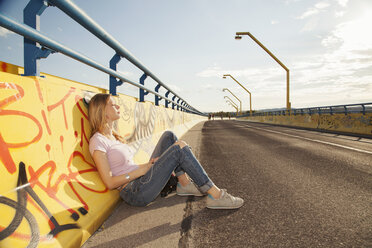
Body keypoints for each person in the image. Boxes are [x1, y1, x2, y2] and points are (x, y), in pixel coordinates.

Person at [88, 93, 244, 209]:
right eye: (113, 104)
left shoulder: (115, 137)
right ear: (103, 111)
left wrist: (146, 166)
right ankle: (216, 195)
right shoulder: (98, 141)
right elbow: (109, 182)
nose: (118, 106)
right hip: (134, 191)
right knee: (179, 148)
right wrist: (143, 169)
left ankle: (183, 184)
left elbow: (127, 166)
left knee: (169, 136)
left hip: (141, 178)